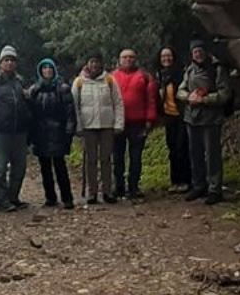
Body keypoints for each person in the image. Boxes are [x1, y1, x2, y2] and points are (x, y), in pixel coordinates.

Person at [178, 38, 232, 205]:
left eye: (200, 51)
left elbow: (225, 94)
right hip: (191, 117)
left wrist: (205, 99)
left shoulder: (217, 69)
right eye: (195, 52)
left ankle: (215, 189)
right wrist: (189, 97)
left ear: (205, 51)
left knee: (212, 155)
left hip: (211, 118)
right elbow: (180, 90)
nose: (198, 54)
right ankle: (198, 185)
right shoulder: (189, 70)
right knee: (195, 154)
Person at [0, 45, 31, 212]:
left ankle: (13, 197)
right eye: (6, 60)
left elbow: (26, 105)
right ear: (0, 63)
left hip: (20, 132)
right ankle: (1, 200)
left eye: (12, 60)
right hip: (0, 132)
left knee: (19, 168)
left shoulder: (20, 81)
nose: (9, 63)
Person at [72, 51, 124, 205]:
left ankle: (107, 191)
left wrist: (118, 124)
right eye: (91, 61)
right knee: (91, 160)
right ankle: (92, 192)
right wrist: (78, 125)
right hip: (88, 126)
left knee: (106, 159)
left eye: (97, 62)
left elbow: (118, 103)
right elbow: (74, 106)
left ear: (101, 63)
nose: (94, 65)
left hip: (106, 125)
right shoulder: (79, 82)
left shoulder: (109, 80)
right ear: (87, 64)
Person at [26, 57, 77, 209]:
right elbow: (30, 113)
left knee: (60, 167)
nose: (47, 71)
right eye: (44, 68)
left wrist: (69, 130)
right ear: (40, 71)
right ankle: (50, 197)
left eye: (50, 68)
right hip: (40, 133)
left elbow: (70, 111)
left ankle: (67, 198)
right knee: (45, 168)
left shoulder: (63, 88)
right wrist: (30, 134)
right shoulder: (34, 90)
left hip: (58, 132)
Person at [110, 49, 159, 201]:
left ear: (136, 59)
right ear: (119, 59)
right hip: (117, 122)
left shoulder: (145, 76)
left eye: (131, 57)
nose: (128, 60)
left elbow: (151, 100)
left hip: (138, 123)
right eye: (125, 57)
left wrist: (150, 120)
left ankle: (133, 187)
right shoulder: (111, 77)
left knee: (136, 157)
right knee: (117, 156)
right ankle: (118, 186)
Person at [155, 47, 190, 194]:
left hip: (182, 115)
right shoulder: (160, 75)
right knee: (172, 148)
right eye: (163, 56)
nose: (166, 59)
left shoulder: (181, 74)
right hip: (168, 116)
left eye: (169, 55)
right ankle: (175, 181)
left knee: (182, 148)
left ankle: (186, 180)